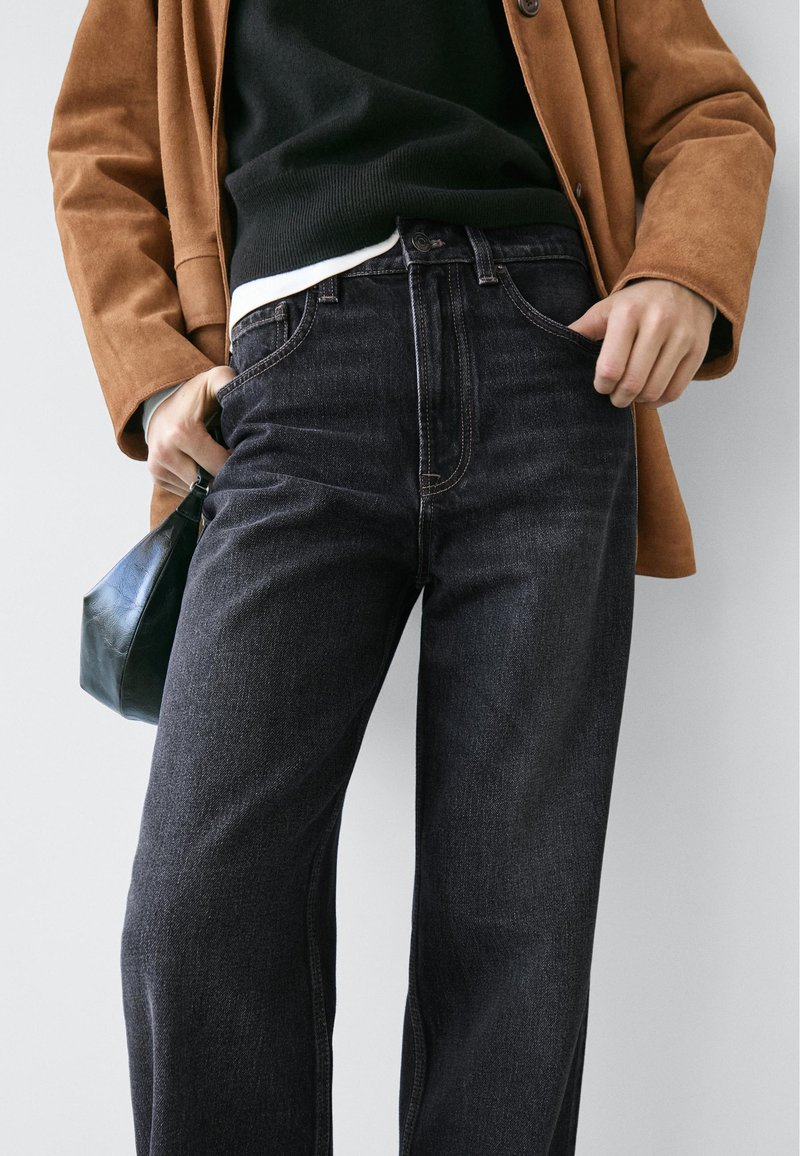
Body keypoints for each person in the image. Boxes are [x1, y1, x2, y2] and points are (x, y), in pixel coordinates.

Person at [47, 1, 775, 1152]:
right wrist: (151, 370)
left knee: (513, 920)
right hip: (288, 380)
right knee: (199, 909)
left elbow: (709, 109)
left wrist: (683, 270)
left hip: (550, 358)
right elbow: (100, 142)